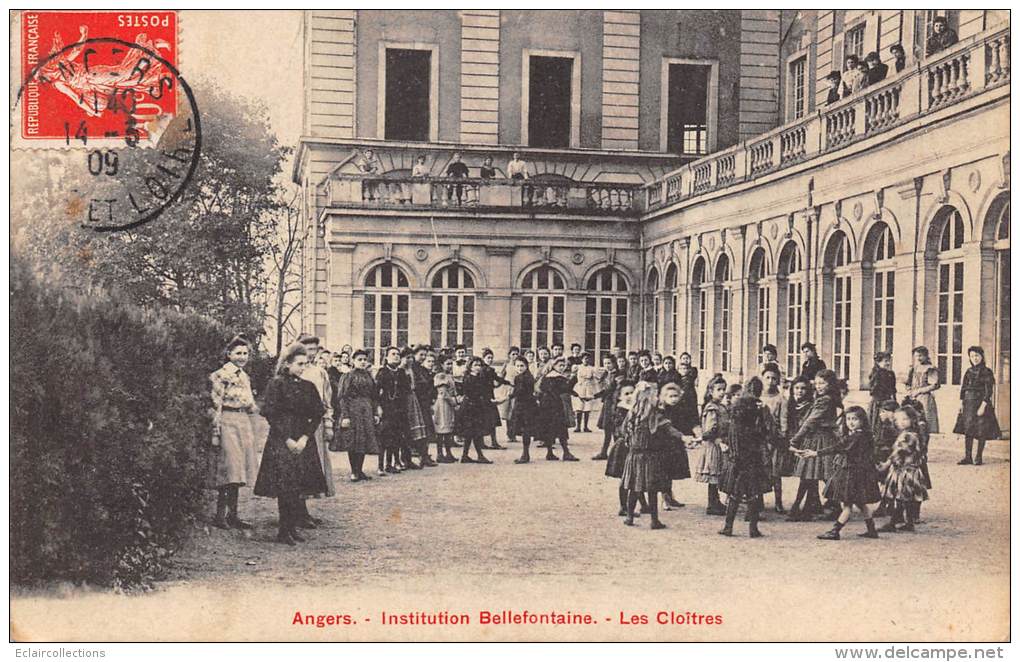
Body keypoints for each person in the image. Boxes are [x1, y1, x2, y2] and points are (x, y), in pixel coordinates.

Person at [254, 343, 328, 545]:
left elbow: (316, 414)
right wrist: (287, 439)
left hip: (303, 439)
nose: (303, 367)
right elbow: (271, 414)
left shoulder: (307, 387)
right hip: (281, 439)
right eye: (299, 364)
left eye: (305, 364)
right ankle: (283, 529)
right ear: (287, 364)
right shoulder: (276, 384)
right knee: (284, 483)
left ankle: (292, 527)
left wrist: (304, 437)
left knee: (298, 483)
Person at [798, 406, 882, 540]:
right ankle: (871, 530)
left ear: (862, 420)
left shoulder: (857, 436)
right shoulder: (862, 435)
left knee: (847, 504)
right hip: (859, 473)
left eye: (854, 419)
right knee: (861, 503)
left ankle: (835, 531)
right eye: (848, 419)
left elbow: (839, 447)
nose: (851, 422)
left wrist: (816, 453)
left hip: (852, 473)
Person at [207, 335, 260, 530]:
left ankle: (234, 515)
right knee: (228, 467)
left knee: (239, 469)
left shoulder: (244, 376)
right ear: (229, 354)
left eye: (245, 353)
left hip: (242, 422)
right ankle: (220, 515)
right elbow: (215, 404)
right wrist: (216, 430)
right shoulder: (220, 375)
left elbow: (250, 403)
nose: (242, 357)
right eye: (238, 353)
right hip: (227, 421)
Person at [620, 382, 684, 530]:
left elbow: (623, 431)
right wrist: (683, 437)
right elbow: (668, 428)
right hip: (649, 456)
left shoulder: (632, 413)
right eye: (655, 395)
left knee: (634, 488)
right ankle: (654, 521)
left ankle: (629, 517)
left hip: (634, 456)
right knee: (652, 489)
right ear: (648, 398)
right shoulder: (653, 415)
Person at [717, 391, 772, 538]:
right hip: (752, 465)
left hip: (737, 465)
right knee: (753, 497)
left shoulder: (734, 425)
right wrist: (762, 414)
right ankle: (753, 529)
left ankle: (728, 527)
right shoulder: (752, 428)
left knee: (734, 497)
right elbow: (765, 434)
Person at [789, 370, 842, 521]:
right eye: (817, 383)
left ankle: (835, 505)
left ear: (830, 384)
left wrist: (795, 439)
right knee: (814, 475)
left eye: (822, 383)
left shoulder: (825, 400)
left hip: (820, 439)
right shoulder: (827, 399)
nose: (818, 386)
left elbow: (810, 421)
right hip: (818, 438)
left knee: (818, 475)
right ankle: (807, 507)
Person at [298, 335, 335, 523]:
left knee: (314, 464)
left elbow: (327, 400)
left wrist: (328, 423)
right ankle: (297, 510)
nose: (311, 353)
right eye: (307, 349)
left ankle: (304, 511)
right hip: (298, 424)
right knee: (299, 465)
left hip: (316, 423)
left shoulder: (320, 372)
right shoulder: (294, 370)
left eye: (314, 349)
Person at [332, 349, 381, 482]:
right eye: (360, 359)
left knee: (364, 440)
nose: (363, 362)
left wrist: (375, 412)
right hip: (353, 411)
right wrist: (345, 415)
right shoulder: (348, 376)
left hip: (367, 410)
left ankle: (360, 470)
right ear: (353, 361)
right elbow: (342, 397)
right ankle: (354, 471)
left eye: (365, 359)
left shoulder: (369, 376)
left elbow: (374, 396)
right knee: (353, 441)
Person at [953, 346, 1002, 466]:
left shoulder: (987, 372)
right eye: (972, 356)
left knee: (981, 430)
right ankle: (968, 457)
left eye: (977, 356)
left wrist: (983, 405)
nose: (974, 358)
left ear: (982, 356)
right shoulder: (968, 371)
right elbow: (963, 388)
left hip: (981, 403)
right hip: (968, 403)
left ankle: (978, 457)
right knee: (968, 429)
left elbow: (988, 391)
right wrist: (961, 403)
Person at [606, 381, 648, 516]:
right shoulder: (621, 409)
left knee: (636, 476)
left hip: (634, 446)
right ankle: (623, 507)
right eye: (626, 393)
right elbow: (620, 429)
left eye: (632, 392)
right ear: (619, 396)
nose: (630, 396)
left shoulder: (636, 408)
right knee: (626, 478)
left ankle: (643, 505)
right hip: (624, 446)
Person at [878, 430, 928, 532]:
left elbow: (902, 453)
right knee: (905, 501)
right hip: (906, 476)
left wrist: (888, 463)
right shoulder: (911, 439)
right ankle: (908, 523)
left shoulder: (909, 442)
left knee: (902, 500)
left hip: (906, 477)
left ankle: (893, 523)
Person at [694, 375, 729, 515]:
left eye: (723, 389)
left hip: (718, 443)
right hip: (713, 445)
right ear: (710, 391)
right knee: (713, 475)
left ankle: (715, 501)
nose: (722, 392)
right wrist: (715, 438)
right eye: (719, 389)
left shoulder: (721, 407)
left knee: (717, 475)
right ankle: (712, 504)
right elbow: (710, 429)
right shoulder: (712, 408)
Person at [761, 364, 793, 513]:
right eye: (767, 377)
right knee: (759, 470)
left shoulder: (781, 400)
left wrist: (782, 436)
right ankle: (758, 501)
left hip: (774, 440)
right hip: (760, 439)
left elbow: (784, 420)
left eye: (774, 378)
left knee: (775, 472)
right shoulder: (758, 397)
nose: (770, 381)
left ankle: (778, 502)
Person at [784, 376, 817, 520]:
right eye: (797, 388)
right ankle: (811, 505)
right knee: (808, 476)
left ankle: (799, 507)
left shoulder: (811, 406)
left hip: (808, 442)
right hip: (795, 442)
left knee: (807, 475)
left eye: (803, 388)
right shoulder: (790, 405)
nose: (800, 391)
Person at [535, 356, 580, 461]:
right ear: (554, 366)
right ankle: (566, 452)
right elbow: (565, 389)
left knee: (550, 429)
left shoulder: (548, 376)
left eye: (563, 365)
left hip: (546, 405)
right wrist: (573, 378)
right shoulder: (557, 377)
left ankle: (550, 453)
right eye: (560, 365)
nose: (562, 367)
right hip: (554, 406)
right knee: (561, 429)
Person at [376, 346, 412, 474]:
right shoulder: (382, 372)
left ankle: (391, 464)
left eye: (397, 354)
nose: (396, 356)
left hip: (399, 409)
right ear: (386, 357)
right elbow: (376, 392)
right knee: (384, 437)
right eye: (393, 354)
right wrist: (378, 408)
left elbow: (406, 391)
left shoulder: (401, 373)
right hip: (386, 409)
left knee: (396, 436)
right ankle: (380, 465)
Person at [658, 382, 694, 510]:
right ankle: (665, 499)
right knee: (664, 472)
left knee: (671, 471)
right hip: (664, 444)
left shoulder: (679, 409)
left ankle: (670, 496)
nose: (673, 399)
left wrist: (689, 436)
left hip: (676, 444)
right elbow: (666, 428)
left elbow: (684, 424)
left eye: (675, 396)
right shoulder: (661, 411)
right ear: (664, 397)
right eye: (670, 396)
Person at [458, 357, 494, 464]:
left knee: (473, 433)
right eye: (475, 365)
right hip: (470, 408)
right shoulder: (468, 378)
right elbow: (470, 393)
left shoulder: (479, 378)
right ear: (470, 367)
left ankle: (465, 455)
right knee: (474, 433)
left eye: (479, 365)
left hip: (476, 407)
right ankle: (479, 456)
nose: (478, 368)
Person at [411, 346, 439, 467]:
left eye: (424, 355)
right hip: (417, 402)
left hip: (425, 403)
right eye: (421, 355)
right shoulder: (412, 368)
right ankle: (417, 455)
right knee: (417, 429)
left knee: (426, 429)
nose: (422, 357)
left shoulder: (423, 369)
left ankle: (424, 455)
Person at [509, 357, 539, 464]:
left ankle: (525, 455)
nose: (520, 368)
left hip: (526, 406)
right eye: (517, 366)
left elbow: (520, 391)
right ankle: (525, 454)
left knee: (526, 430)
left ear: (526, 366)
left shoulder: (526, 378)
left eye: (522, 366)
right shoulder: (520, 377)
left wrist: (509, 396)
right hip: (523, 405)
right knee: (525, 430)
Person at [905, 346, 940, 434]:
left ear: (926, 356)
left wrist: (919, 391)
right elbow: (908, 383)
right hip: (913, 397)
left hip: (925, 398)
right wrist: (909, 391)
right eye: (916, 356)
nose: (918, 358)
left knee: (925, 419)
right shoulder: (914, 368)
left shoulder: (930, 368)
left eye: (920, 356)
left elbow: (934, 385)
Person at [592, 355, 621, 460]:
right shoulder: (606, 374)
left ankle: (617, 453)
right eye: (605, 363)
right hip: (608, 403)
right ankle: (604, 452)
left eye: (609, 363)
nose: (607, 365)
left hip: (614, 404)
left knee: (614, 430)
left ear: (614, 363)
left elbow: (610, 389)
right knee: (608, 429)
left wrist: (595, 395)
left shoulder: (617, 374)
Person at [480, 348, 508, 449]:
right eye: (488, 358)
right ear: (483, 358)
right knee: (484, 420)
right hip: (484, 397)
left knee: (492, 420)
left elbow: (497, 379)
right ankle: (484, 443)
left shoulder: (490, 370)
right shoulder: (483, 370)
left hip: (489, 395)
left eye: (492, 358)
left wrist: (507, 382)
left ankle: (493, 442)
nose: (490, 360)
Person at [433, 355, 459, 463]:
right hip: (443, 404)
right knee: (441, 429)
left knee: (448, 430)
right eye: (447, 364)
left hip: (448, 404)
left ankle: (448, 453)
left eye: (451, 364)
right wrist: (454, 403)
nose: (449, 366)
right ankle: (439, 454)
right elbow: (443, 393)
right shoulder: (440, 376)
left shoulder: (449, 376)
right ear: (442, 364)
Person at [867, 352, 898, 437]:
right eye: (885, 361)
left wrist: (894, 401)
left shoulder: (891, 374)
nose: (888, 363)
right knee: (877, 423)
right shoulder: (876, 374)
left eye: (889, 361)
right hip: (879, 402)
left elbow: (893, 390)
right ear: (878, 362)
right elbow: (873, 390)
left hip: (889, 401)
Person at [498, 347, 520, 442]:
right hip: (507, 389)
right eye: (513, 354)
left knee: (514, 412)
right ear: (509, 355)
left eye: (516, 354)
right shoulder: (506, 365)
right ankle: (509, 434)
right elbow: (500, 377)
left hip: (517, 389)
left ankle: (514, 433)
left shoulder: (520, 365)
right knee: (507, 413)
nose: (515, 356)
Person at [573, 352, 598, 433]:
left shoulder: (592, 368)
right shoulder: (578, 367)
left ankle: (586, 427)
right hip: (580, 387)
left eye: (588, 359)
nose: (586, 360)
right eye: (585, 359)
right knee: (579, 408)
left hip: (588, 387)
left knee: (587, 408)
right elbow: (573, 375)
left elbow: (595, 378)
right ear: (582, 359)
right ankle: (578, 426)